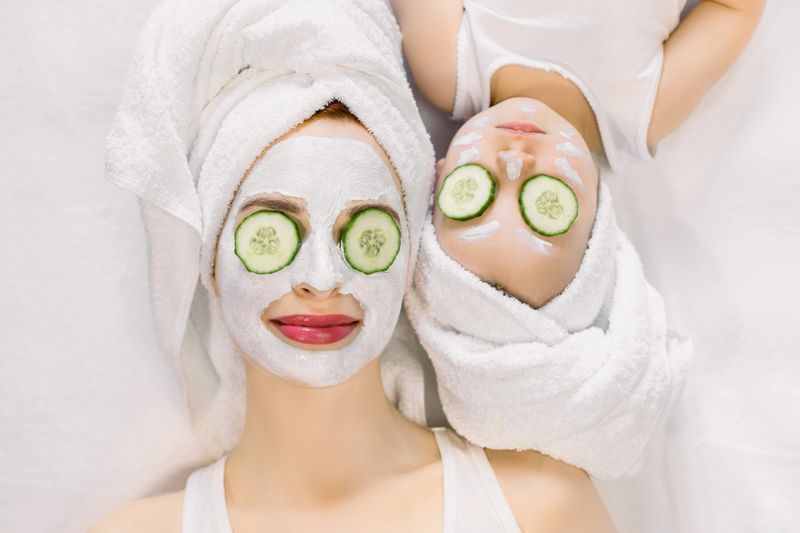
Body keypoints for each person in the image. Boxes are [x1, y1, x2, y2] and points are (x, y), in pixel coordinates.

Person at [91, 102, 617, 533]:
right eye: (273, 231)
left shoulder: (544, 510)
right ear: (209, 261)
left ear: (410, 257)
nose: (321, 279)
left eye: (365, 234)